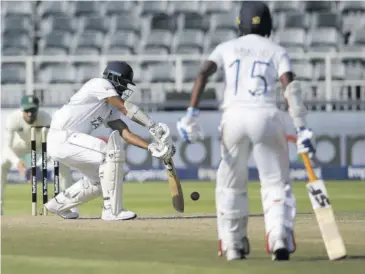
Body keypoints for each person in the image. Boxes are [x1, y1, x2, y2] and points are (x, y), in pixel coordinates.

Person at [176, 1, 315, 261]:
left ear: (239, 23)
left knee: (230, 185)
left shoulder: (226, 47)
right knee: (275, 183)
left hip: (234, 118)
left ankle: (232, 244)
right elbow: (290, 87)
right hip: (267, 116)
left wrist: (191, 114)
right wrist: (302, 127)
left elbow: (203, 72)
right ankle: (279, 238)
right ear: (269, 23)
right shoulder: (276, 49)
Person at [44, 61, 175, 221]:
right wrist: (152, 125)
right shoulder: (99, 84)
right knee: (111, 156)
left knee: (109, 175)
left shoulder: (110, 106)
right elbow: (124, 107)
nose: (126, 88)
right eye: (124, 83)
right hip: (63, 137)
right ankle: (112, 211)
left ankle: (58, 204)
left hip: (69, 143)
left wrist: (150, 147)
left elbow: (124, 133)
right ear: (114, 77)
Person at [1, 95, 75, 217]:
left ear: (38, 109)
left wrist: (38, 165)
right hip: (19, 145)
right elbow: (6, 147)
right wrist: (17, 162)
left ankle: (69, 206)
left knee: (62, 163)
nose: (30, 114)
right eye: (27, 111)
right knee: (2, 164)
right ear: (22, 110)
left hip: (41, 146)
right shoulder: (13, 119)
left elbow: (52, 145)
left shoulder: (45, 118)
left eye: (33, 111)